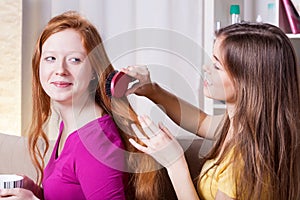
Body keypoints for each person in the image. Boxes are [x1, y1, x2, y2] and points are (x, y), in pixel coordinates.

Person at [125, 22, 300, 199]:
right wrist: (152, 90)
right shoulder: (243, 126)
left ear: (247, 80)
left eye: (217, 66)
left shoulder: (242, 164)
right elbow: (202, 121)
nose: (205, 68)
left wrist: (175, 164)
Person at [0, 11, 164, 200]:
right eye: (50, 58)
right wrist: (36, 192)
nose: (60, 70)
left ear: (94, 70)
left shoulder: (96, 141)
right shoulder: (72, 124)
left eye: (74, 60)